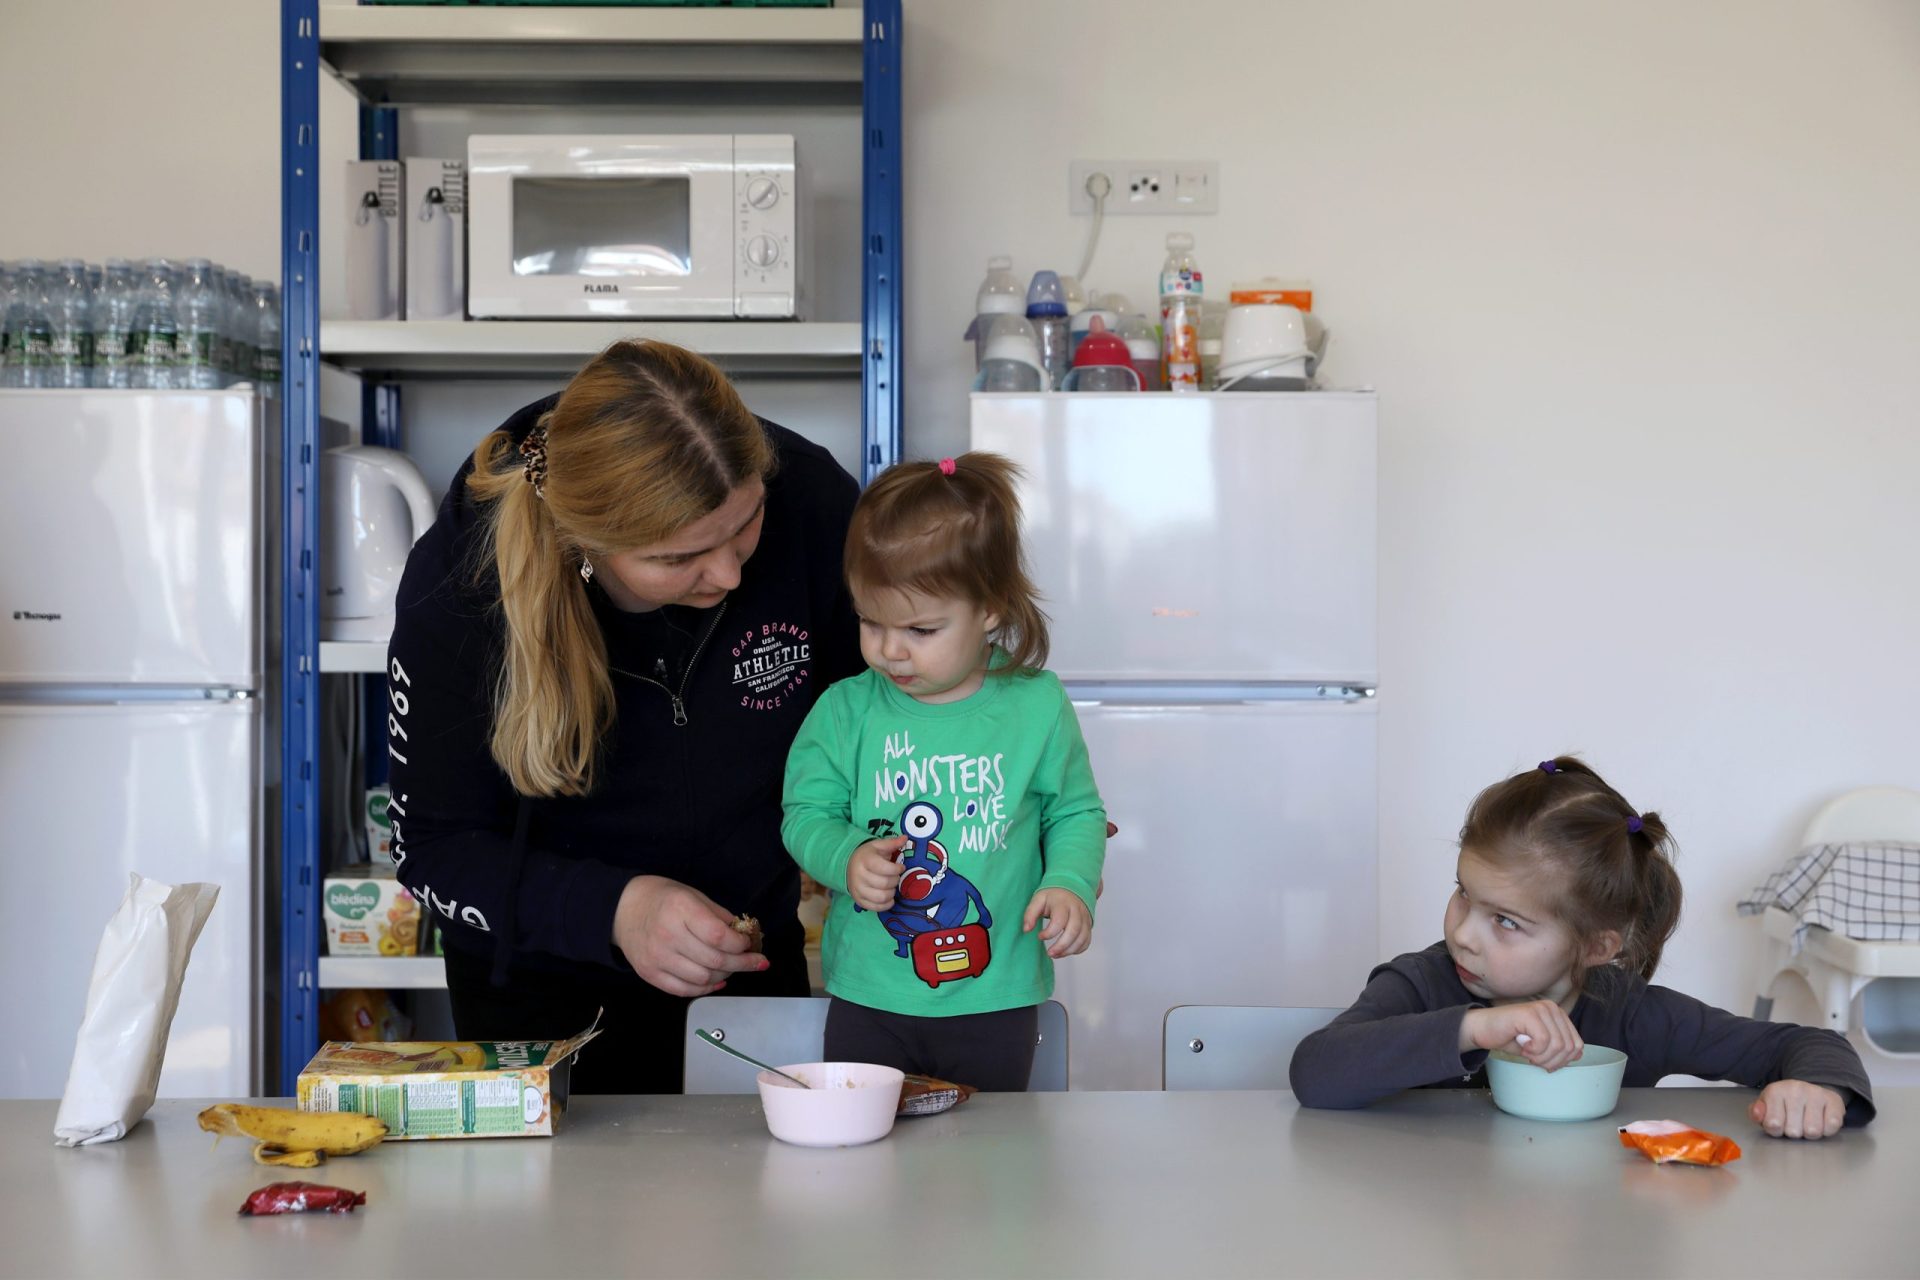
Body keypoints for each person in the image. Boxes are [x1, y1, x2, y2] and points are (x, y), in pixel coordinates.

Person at [384, 340, 865, 1093]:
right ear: (586, 546)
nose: (731, 574)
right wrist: (616, 909)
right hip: (542, 999)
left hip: (747, 962)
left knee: (767, 1205)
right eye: (681, 559)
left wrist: (984, 775)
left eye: (745, 525)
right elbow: (432, 847)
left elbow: (891, 701)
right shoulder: (461, 583)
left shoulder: (810, 498)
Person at [1290, 756, 1876, 1138]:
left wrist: (1817, 1090)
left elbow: (1806, 1043)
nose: (1464, 934)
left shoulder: (1634, 1014)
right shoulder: (1421, 983)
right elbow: (1317, 1071)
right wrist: (1471, 1029)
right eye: (1463, 895)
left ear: (1597, 947)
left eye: (1507, 922)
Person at [780, 453, 1108, 1090]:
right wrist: (846, 856)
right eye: (869, 621)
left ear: (989, 609)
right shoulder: (845, 710)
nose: (889, 649)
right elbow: (806, 815)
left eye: (920, 628)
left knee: (985, 1166)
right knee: (868, 1166)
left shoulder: (1036, 706)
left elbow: (1076, 812)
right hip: (870, 997)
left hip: (996, 998)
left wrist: (1071, 881)